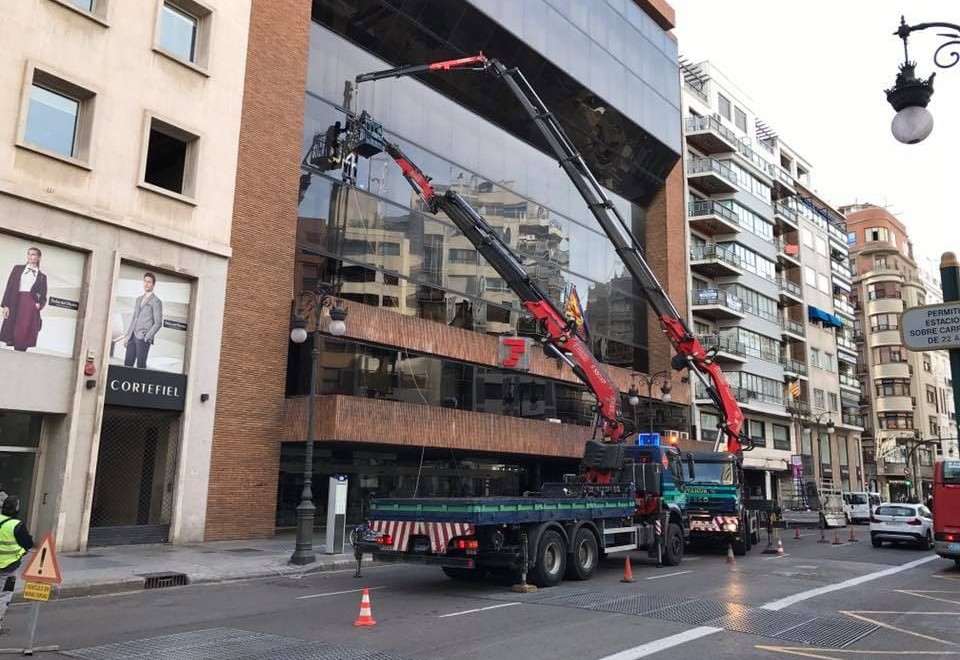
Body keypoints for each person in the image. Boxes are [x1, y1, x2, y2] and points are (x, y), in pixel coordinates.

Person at [0, 247, 48, 352]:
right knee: (12, 331)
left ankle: (20, 354)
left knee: (25, 333)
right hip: (15, 302)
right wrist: (6, 305)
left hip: (30, 306)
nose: (30, 256)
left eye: (33, 254)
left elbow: (43, 296)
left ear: (38, 257)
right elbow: (10, 287)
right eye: (29, 254)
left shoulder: (42, 277)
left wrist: (39, 305)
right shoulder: (17, 269)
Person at [0, 497, 34, 634]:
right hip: (7, 567)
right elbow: (28, 543)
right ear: (17, 508)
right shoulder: (17, 525)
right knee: (4, 595)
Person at [123, 272, 163, 369]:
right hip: (132, 337)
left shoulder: (156, 301)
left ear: (153, 284)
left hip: (143, 338)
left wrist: (147, 337)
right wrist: (127, 336)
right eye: (145, 281)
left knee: (140, 366)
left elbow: (158, 323)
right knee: (127, 364)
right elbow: (134, 319)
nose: (146, 284)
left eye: (149, 282)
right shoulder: (138, 299)